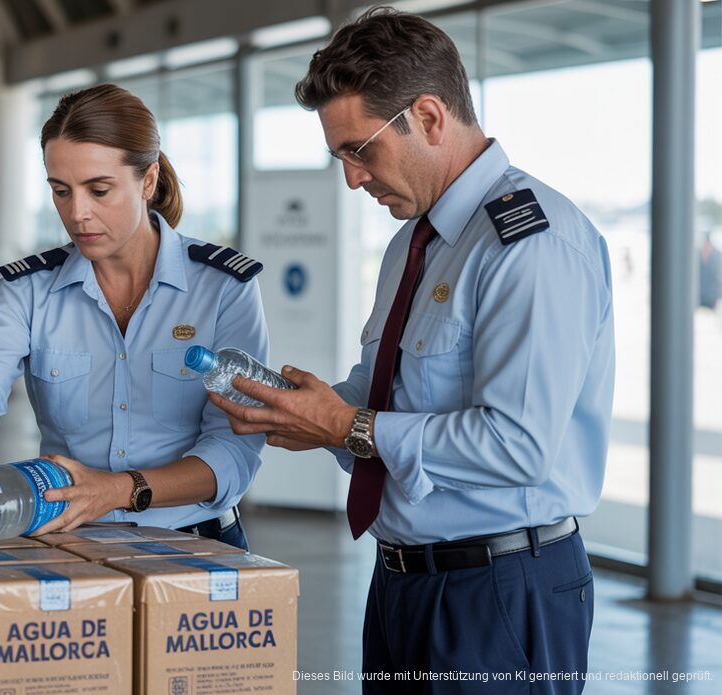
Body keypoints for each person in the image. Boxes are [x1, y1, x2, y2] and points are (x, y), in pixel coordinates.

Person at [211, 8, 614, 692]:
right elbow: (383, 397)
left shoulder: (532, 245)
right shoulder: (412, 243)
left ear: (428, 117)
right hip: (402, 582)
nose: (352, 179)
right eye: (340, 156)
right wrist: (308, 414)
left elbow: (517, 445)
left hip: (500, 590)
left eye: (360, 149)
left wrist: (345, 425)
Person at [0, 84, 269, 550]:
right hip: (74, 546)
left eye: (99, 190)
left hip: (198, 543)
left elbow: (235, 448)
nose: (78, 214)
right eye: (61, 191)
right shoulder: (28, 289)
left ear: (148, 181)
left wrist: (119, 489)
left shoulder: (223, 288)